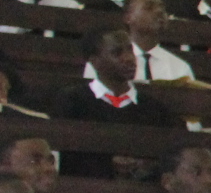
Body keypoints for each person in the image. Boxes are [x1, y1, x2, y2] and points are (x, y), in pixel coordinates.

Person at [50, 25, 175, 177]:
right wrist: (106, 162)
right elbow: (67, 156)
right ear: (94, 61)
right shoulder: (73, 101)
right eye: (117, 53)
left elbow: (168, 155)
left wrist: (146, 166)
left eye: (130, 50)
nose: (129, 58)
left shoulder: (154, 107)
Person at [121, 0, 194, 83]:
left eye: (163, 9)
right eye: (149, 7)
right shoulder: (114, 62)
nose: (159, 11)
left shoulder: (179, 68)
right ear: (128, 17)